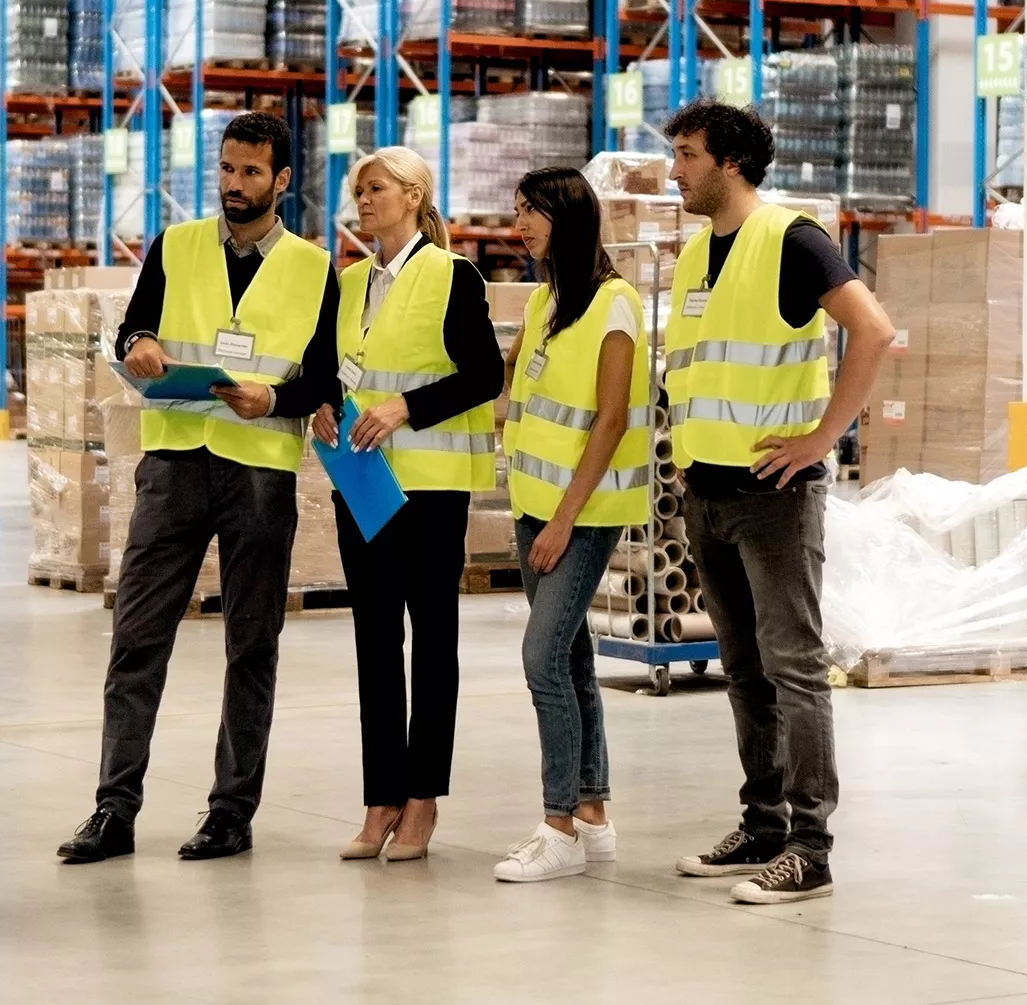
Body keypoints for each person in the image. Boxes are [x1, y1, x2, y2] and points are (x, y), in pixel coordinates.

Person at [56, 112, 341, 865]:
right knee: (137, 637)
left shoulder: (316, 268)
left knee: (252, 645)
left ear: (282, 181)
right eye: (226, 169)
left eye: (251, 173)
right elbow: (132, 331)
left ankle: (231, 813)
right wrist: (139, 343)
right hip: (175, 463)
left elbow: (322, 378)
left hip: (259, 472)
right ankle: (113, 809)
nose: (234, 185)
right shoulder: (175, 246)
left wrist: (273, 401)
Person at [660, 100, 894, 904]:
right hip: (709, 489)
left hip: (774, 493)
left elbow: (872, 329)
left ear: (730, 162)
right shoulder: (697, 255)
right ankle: (761, 823)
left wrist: (822, 438)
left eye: (687, 154)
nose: (676, 169)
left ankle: (809, 845)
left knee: (794, 668)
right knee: (744, 667)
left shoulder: (792, 239)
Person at [321, 148, 501, 864]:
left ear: (413, 194)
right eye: (358, 190)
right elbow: (325, 369)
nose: (363, 200)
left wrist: (406, 407)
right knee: (372, 643)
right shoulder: (349, 280)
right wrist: (324, 409)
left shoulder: (452, 276)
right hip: (361, 483)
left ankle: (423, 798)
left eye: (376, 188)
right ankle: (380, 797)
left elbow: (485, 373)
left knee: (433, 641)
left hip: (429, 489)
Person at [490, 167, 651, 883]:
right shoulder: (544, 301)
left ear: (570, 218)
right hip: (532, 504)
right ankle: (593, 814)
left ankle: (556, 827)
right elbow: (511, 396)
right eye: (518, 210)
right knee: (573, 655)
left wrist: (562, 519)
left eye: (534, 212)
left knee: (541, 658)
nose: (520, 223)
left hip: (580, 515)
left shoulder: (615, 304)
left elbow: (611, 421)